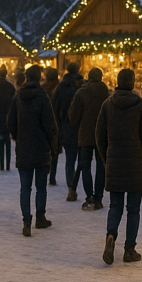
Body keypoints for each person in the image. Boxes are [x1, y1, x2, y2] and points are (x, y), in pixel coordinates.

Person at [97, 68, 142, 265]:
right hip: (136, 164)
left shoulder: (108, 105)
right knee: (133, 209)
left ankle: (110, 236)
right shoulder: (141, 106)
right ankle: (129, 249)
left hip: (115, 162)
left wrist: (107, 158)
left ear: (117, 82)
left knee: (115, 206)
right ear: (132, 83)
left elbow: (99, 136)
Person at [7, 64, 58, 236]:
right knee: (41, 187)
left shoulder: (18, 97)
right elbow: (50, 124)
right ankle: (40, 217)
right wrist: (52, 144)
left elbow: (10, 121)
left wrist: (18, 136)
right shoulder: (42, 97)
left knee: (25, 188)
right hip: (41, 147)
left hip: (24, 147)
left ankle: (26, 221)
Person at [69, 67, 110, 211]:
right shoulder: (105, 92)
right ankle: (98, 197)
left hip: (85, 134)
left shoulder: (81, 92)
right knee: (101, 166)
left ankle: (89, 196)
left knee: (85, 166)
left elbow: (73, 115)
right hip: (102, 134)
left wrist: (80, 125)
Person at [52, 63, 83, 202]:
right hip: (81, 128)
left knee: (70, 160)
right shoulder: (81, 87)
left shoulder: (61, 87)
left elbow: (55, 107)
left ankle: (71, 186)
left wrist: (58, 125)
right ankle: (77, 186)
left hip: (66, 126)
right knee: (82, 160)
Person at [42, 67, 62, 185]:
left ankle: (45, 174)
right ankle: (52, 176)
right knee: (54, 151)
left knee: (45, 150)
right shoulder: (59, 88)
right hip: (56, 123)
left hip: (44, 122)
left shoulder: (43, 88)